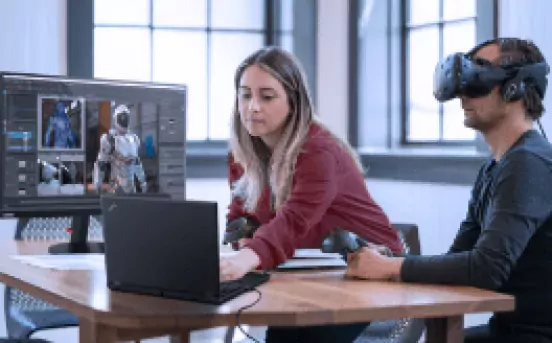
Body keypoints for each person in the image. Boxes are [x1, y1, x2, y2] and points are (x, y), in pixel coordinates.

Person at [346, 37, 552, 343]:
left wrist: (391, 267)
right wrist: (388, 261)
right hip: (510, 331)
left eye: (477, 81)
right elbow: (461, 257)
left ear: (516, 89)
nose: (462, 96)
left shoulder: (528, 163)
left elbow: (486, 269)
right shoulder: (495, 166)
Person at [219, 46, 404, 343]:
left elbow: (295, 220)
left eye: (267, 96)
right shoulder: (243, 151)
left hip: (370, 272)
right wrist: (241, 241)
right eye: (245, 94)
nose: (252, 106)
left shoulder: (318, 150)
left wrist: (247, 257)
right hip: (311, 271)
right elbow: (241, 214)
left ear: (293, 102)